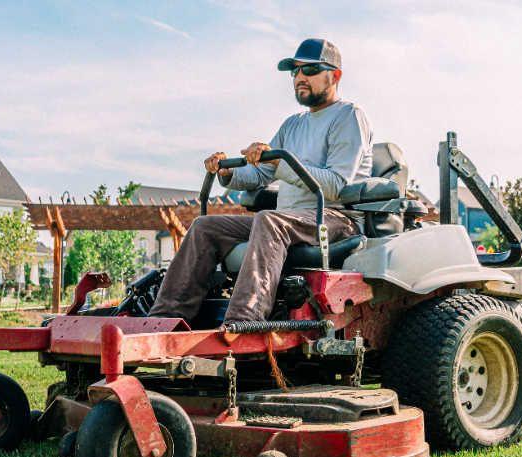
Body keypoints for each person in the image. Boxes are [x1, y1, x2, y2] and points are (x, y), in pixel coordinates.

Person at [149, 38, 373, 324]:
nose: (300, 78)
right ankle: (164, 321)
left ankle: (244, 323)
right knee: (205, 227)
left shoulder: (348, 116)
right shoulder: (293, 124)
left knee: (270, 220)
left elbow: (335, 185)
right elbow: (262, 175)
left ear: (335, 75)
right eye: (295, 72)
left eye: (311, 70)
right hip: (289, 221)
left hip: (335, 219)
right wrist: (227, 173)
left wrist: (279, 162)